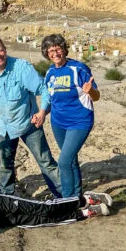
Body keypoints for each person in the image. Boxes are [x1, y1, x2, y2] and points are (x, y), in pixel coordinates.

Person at [0, 36, 61, 197]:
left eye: (0, 51)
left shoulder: (21, 67)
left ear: (5, 50)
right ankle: (7, 196)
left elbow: (44, 89)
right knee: (5, 165)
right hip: (2, 127)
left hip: (28, 124)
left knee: (45, 161)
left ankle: (64, 194)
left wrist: (42, 112)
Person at [41, 33, 100, 201]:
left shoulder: (78, 68)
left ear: (64, 49)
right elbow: (52, 99)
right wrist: (42, 113)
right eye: (51, 51)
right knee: (71, 160)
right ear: (47, 53)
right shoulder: (50, 72)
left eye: (58, 49)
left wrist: (91, 91)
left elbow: (96, 97)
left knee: (64, 162)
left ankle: (66, 199)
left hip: (79, 121)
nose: (55, 53)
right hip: (58, 122)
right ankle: (76, 197)